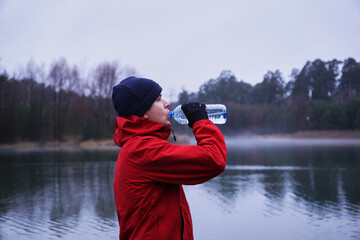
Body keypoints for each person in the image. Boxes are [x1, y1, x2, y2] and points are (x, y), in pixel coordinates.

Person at [112, 76, 227, 240]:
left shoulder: (140, 147)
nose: (167, 103)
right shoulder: (143, 150)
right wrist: (201, 122)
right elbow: (214, 159)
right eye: (158, 100)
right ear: (143, 112)